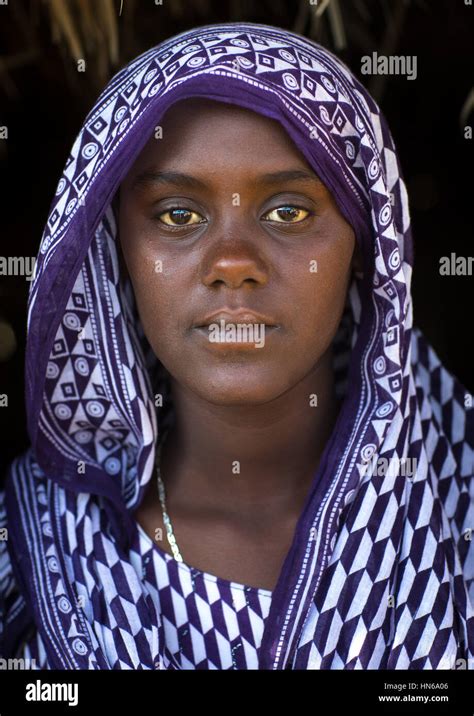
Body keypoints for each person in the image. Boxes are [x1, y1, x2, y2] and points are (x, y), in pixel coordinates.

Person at [0, 21, 472, 670]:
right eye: (177, 215)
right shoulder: (34, 545)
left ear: (364, 250)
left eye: (287, 211)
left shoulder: (458, 508)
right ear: (115, 254)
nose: (232, 262)